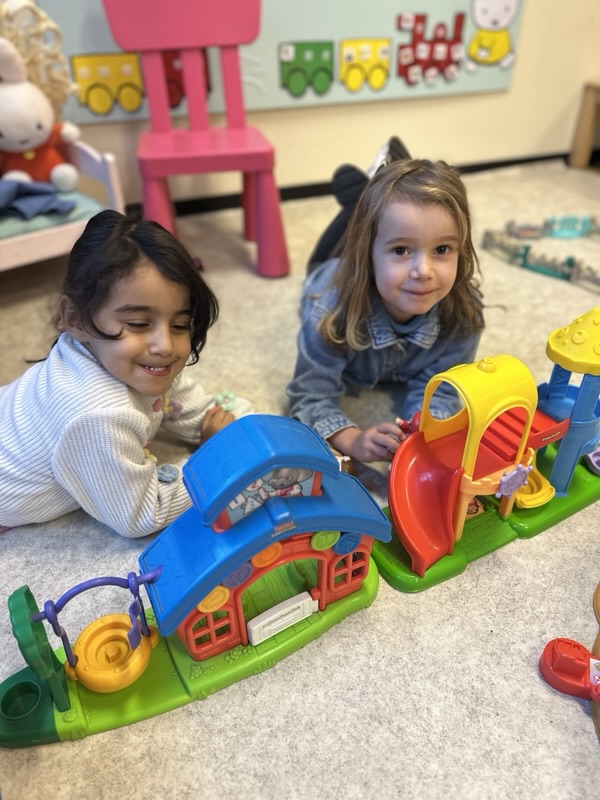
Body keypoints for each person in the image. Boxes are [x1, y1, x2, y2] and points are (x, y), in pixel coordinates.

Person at [0, 210, 252, 538]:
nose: (165, 345)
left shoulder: (140, 363)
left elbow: (205, 413)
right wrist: (217, 461)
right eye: (137, 324)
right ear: (74, 319)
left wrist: (255, 432)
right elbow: (141, 515)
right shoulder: (98, 415)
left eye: (180, 325)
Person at [286, 156, 485, 465]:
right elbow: (309, 396)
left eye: (442, 249)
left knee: (392, 213)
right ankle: (365, 194)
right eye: (401, 250)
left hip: (372, 263)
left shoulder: (464, 316)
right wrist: (353, 440)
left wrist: (426, 439)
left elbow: (440, 392)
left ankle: (389, 181)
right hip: (330, 274)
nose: (424, 271)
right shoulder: (329, 312)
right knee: (339, 242)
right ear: (367, 255)